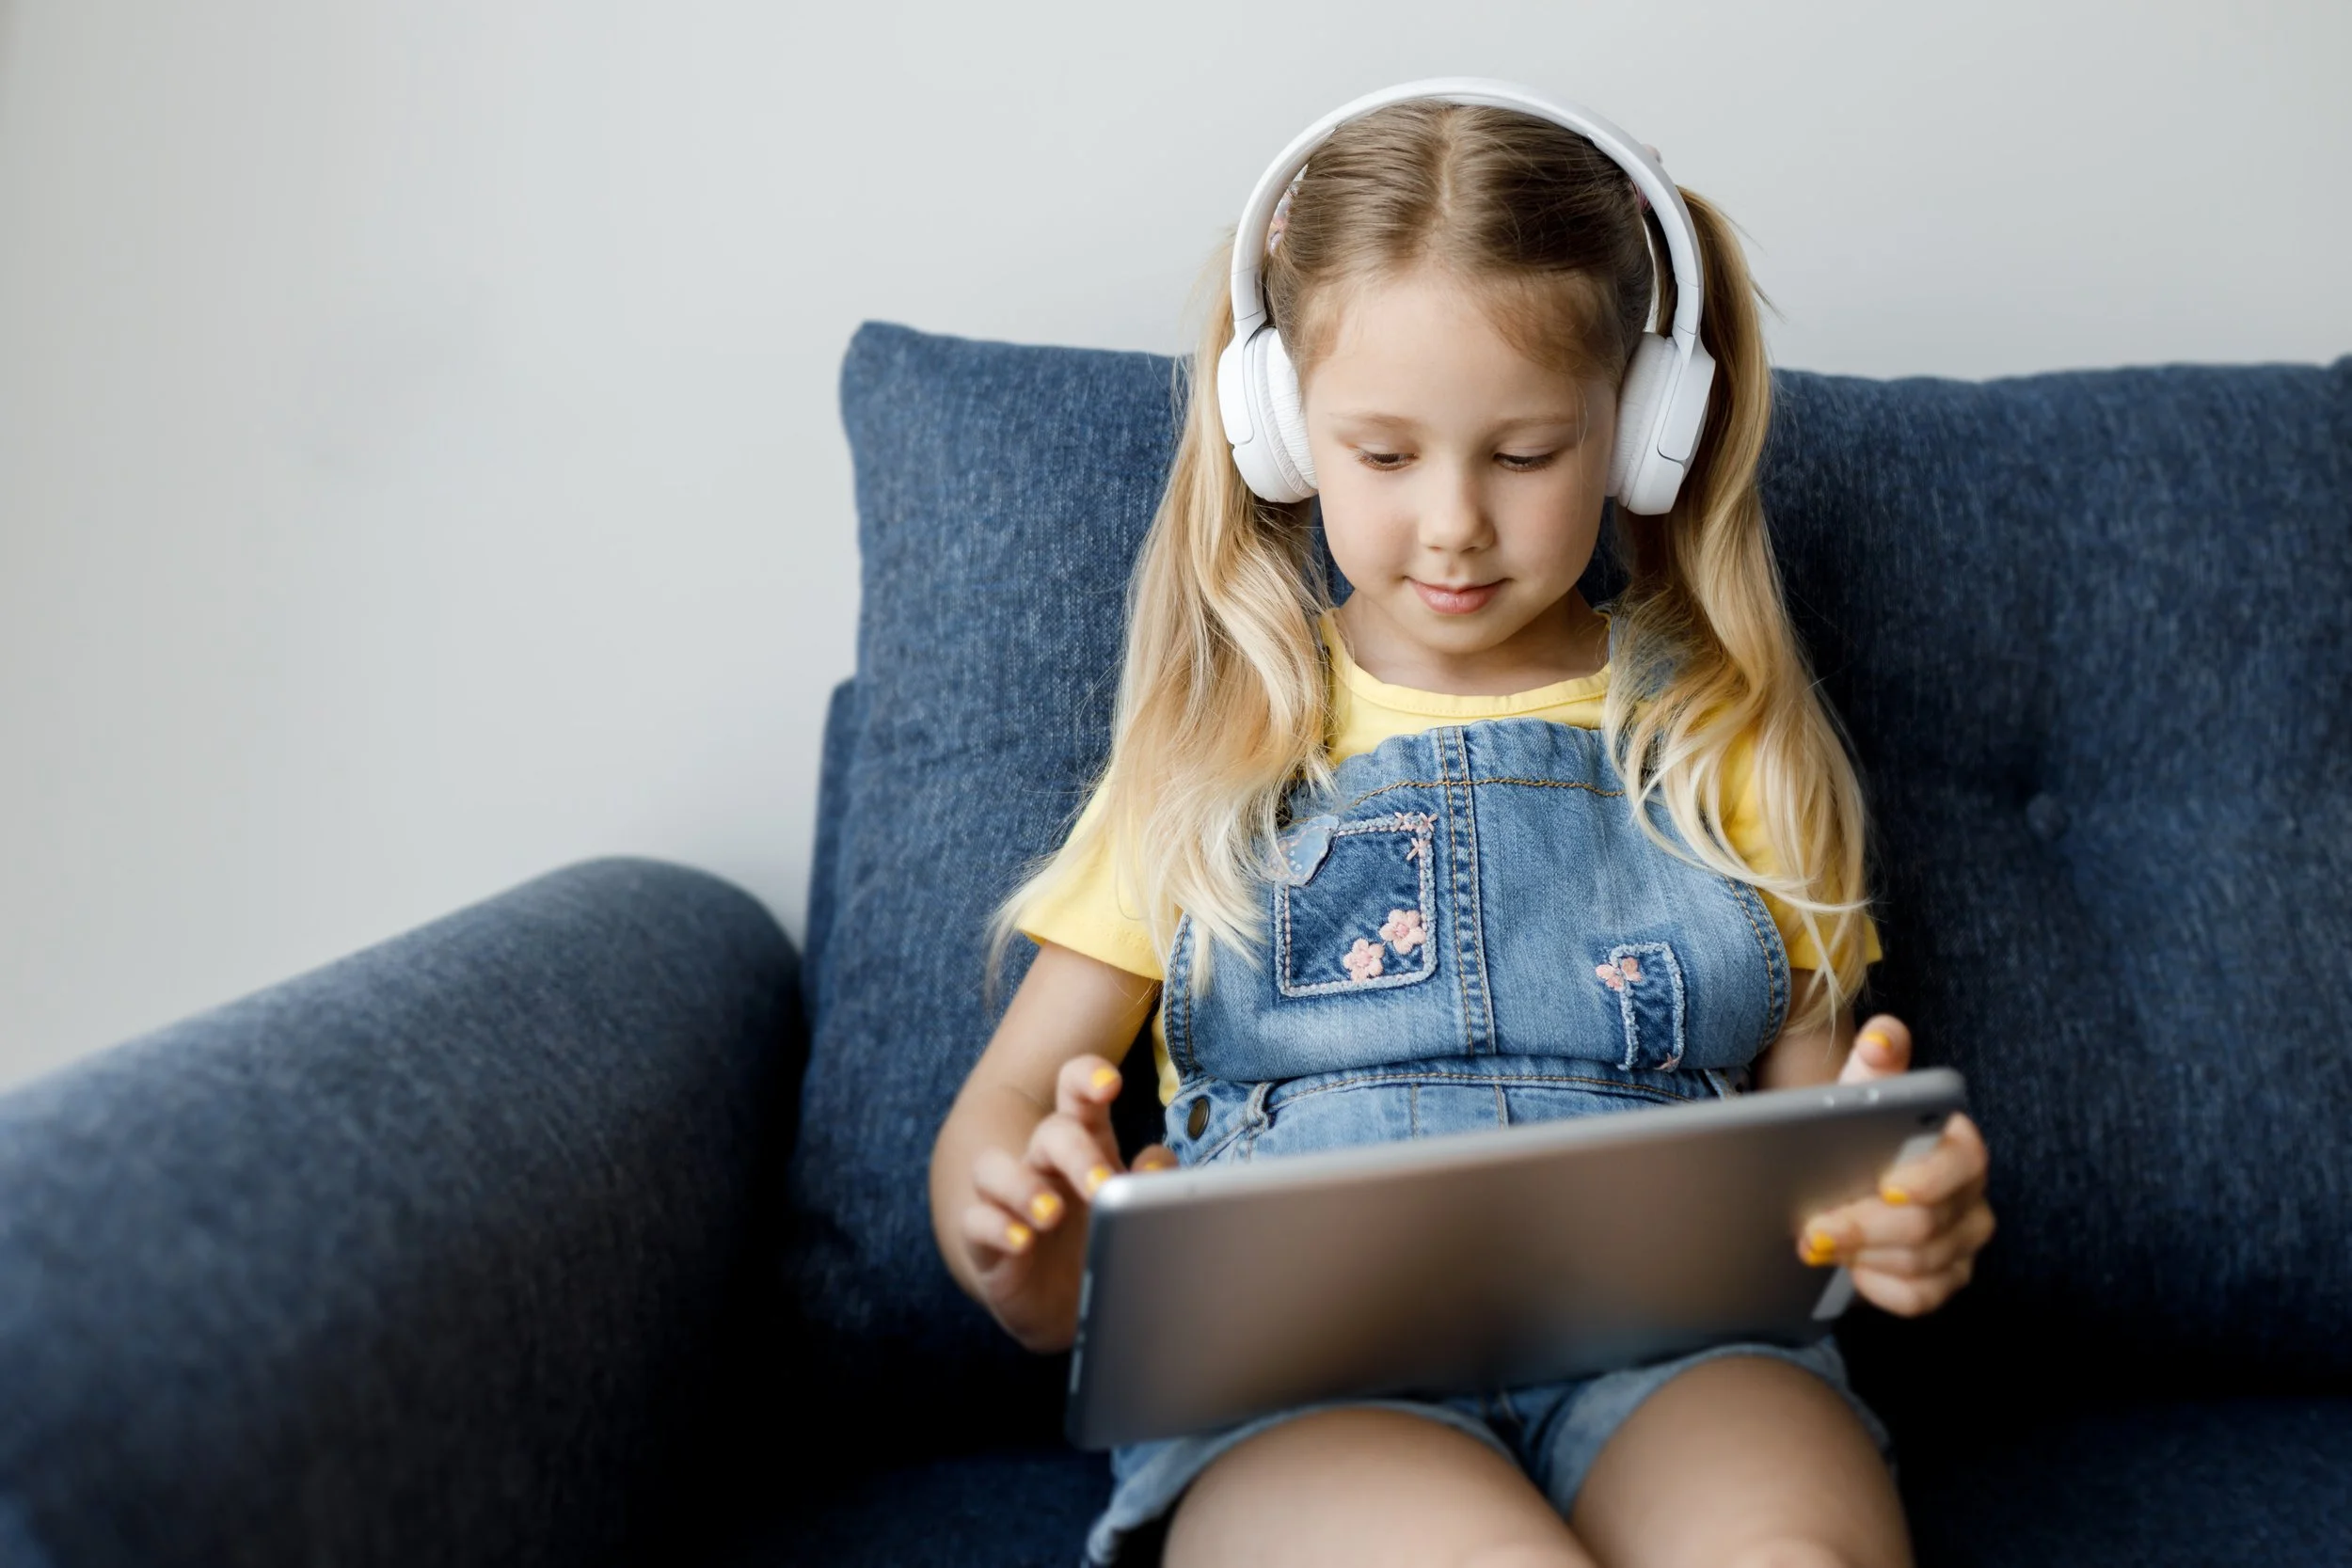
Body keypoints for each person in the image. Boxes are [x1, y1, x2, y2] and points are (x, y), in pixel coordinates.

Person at [928, 80, 1995, 1568]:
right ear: (1281, 428)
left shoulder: (1723, 743)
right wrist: (1025, 1234)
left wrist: (1897, 1213)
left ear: (1644, 431)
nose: (1452, 522)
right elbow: (1003, 1125)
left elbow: (1822, 1158)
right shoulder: (1210, 752)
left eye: (1523, 453)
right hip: (1302, 1389)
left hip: (1685, 1359)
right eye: (1383, 455)